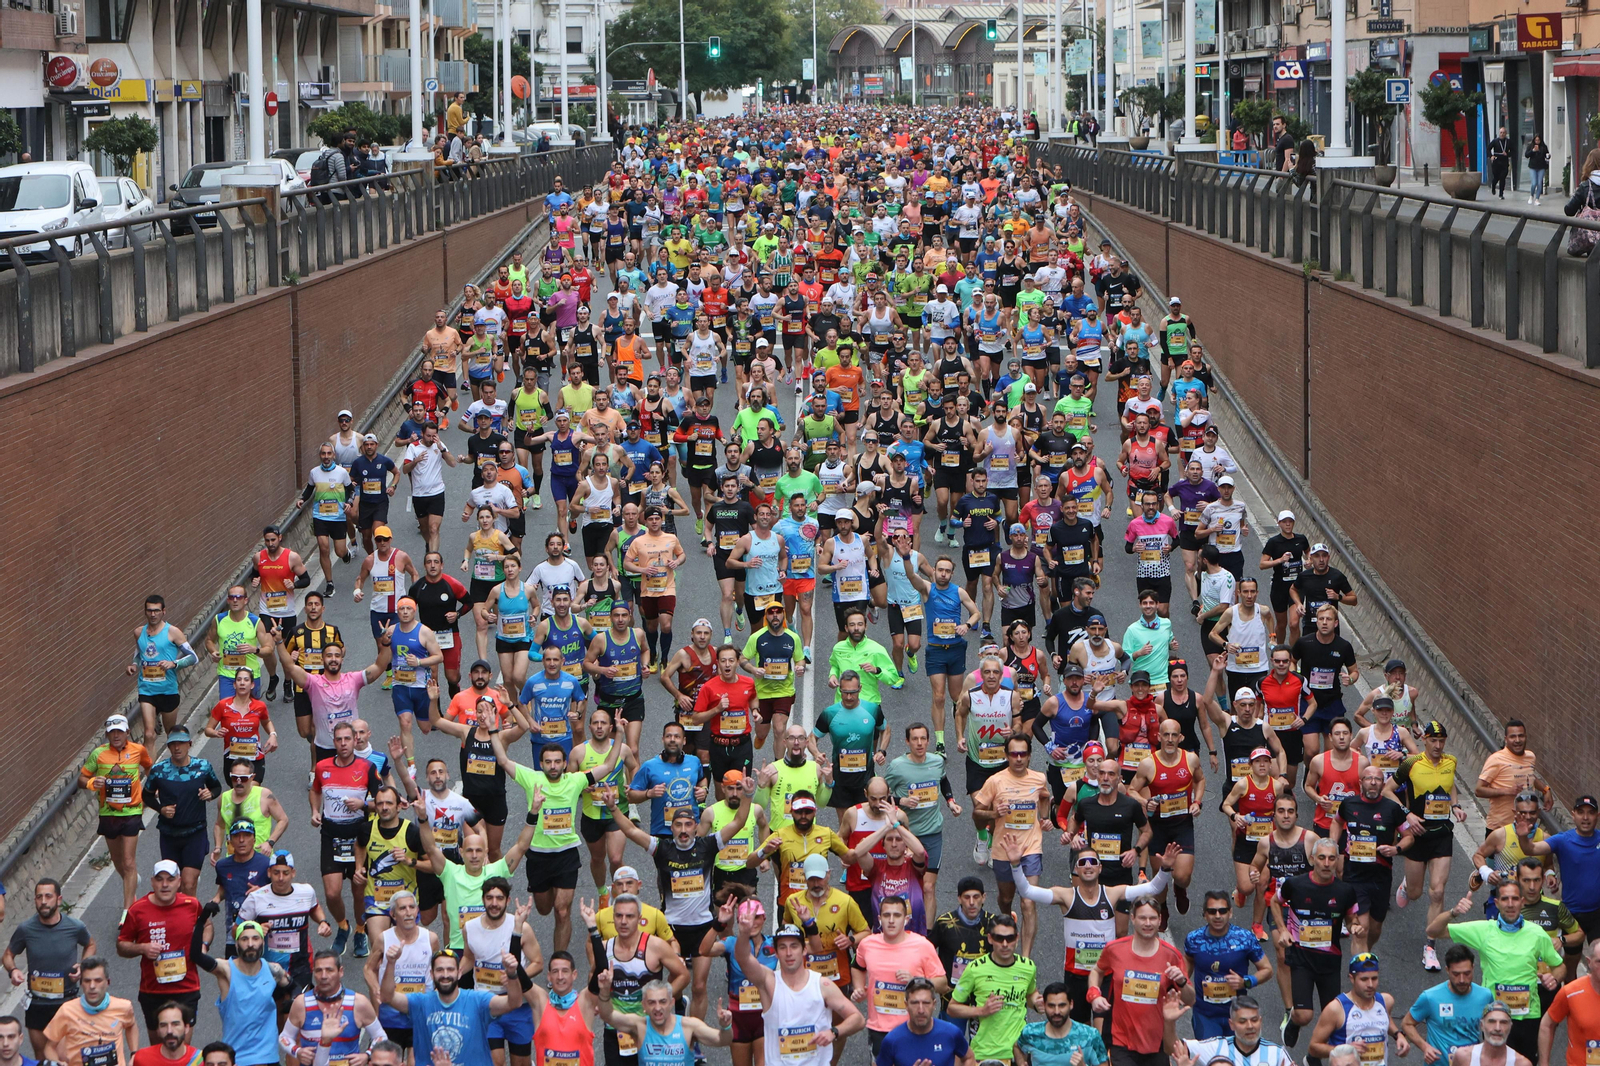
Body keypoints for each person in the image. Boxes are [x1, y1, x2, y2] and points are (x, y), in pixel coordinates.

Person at [1427, 880, 1564, 1064]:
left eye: (1515, 899)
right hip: (1494, 1017)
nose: (1510, 904)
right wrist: (1454, 912)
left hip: (1527, 1017)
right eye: (1505, 899)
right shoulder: (1484, 930)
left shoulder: (1537, 933)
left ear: (1522, 902)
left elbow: (1560, 966)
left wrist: (1553, 977)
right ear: (1497, 903)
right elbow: (1433, 930)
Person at [733, 909, 865, 1066]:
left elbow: (858, 1019)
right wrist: (743, 934)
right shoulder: (768, 982)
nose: (789, 953)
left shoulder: (822, 985)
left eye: (794, 946)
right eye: (782, 947)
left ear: (804, 950)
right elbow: (743, 958)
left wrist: (834, 1032)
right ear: (776, 953)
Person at [379, 940, 527, 1066]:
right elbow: (387, 996)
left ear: (459, 973)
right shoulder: (420, 1003)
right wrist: (391, 962)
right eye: (439, 970)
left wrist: (512, 973)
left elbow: (514, 1002)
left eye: (450, 969)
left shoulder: (477, 1001)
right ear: (431, 974)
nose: (445, 975)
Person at [188, 904, 290, 1066]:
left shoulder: (273, 970)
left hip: (268, 1059)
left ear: (262, 944)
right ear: (236, 945)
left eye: (255, 938)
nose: (250, 944)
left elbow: (295, 989)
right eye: (244, 939)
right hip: (236, 1059)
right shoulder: (225, 970)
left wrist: (290, 1002)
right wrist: (202, 920)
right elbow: (196, 956)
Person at [4, 878, 95, 1057]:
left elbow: (90, 944)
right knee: (42, 1057)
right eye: (39, 897)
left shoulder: (74, 927)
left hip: (65, 1002)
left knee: (63, 1056)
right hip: (37, 1003)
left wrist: (84, 964)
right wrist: (13, 970)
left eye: (48, 896)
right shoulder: (26, 929)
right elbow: (8, 955)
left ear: (59, 899)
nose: (43, 901)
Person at [115, 860, 203, 1039]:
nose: (165, 885)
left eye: (170, 879)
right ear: (152, 882)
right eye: (160, 879)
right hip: (153, 991)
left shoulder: (191, 904)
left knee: (182, 1050)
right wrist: (142, 948)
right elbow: (121, 945)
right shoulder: (137, 910)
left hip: (186, 988)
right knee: (158, 1051)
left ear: (179, 882)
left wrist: (204, 945)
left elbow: (206, 925)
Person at [81, 713, 155, 912]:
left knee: (129, 861)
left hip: (132, 812)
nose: (116, 735)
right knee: (117, 860)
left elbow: (149, 767)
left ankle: (127, 910)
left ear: (128, 733)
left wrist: (152, 788)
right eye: (112, 732)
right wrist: (91, 783)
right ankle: (131, 884)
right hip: (108, 813)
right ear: (107, 734)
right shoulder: (98, 754)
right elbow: (82, 777)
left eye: (119, 732)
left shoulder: (138, 750)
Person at [947, 912, 1038, 1066]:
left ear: (1017, 938)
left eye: (1009, 938)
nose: (1004, 944)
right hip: (984, 1053)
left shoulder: (1028, 967)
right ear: (990, 939)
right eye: (998, 938)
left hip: (1018, 1052)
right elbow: (952, 1008)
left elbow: (1031, 995)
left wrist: (1037, 1002)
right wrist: (981, 1011)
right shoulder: (974, 969)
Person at [1181, 891, 1273, 1040]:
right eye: (1212, 911)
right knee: (1213, 1061)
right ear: (1204, 914)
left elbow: (1267, 969)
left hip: (1238, 1015)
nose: (1218, 916)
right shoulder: (1194, 939)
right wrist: (1182, 985)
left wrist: (1246, 982)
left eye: (1222, 911)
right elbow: (1189, 960)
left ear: (1230, 913)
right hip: (1205, 1014)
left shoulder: (1244, 938)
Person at [1307, 952, 1410, 1065]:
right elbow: (1313, 1047)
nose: (1370, 984)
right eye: (1364, 979)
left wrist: (1398, 1035)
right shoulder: (1336, 1009)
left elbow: (1386, 1020)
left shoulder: (1385, 1001)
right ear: (1352, 978)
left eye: (1374, 978)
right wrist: (1345, 1050)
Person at [1402, 945, 1497, 1063]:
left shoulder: (1485, 996)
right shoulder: (1430, 997)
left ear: (1473, 968)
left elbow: (1492, 1027)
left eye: (1467, 973)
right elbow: (1407, 1023)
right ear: (1447, 970)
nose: (1462, 980)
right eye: (1456, 974)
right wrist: (1425, 1047)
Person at [41, 956, 138, 1066]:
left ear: (108, 982)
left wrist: (134, 1053)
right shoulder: (67, 1010)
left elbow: (131, 1025)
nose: (92, 986)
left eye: (98, 980)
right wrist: (58, 1063)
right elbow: (49, 1048)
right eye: (87, 981)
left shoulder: (123, 1007)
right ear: (81, 983)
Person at [1163, 992, 1295, 1066]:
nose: (1250, 1026)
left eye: (1254, 1020)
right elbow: (1172, 1048)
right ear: (1231, 1024)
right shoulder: (1216, 1047)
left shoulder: (1277, 1054)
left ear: (1260, 1021)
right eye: (1243, 1021)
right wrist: (1169, 1022)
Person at [1539, 939, 1600, 1066]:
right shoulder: (1571, 992)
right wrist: (1544, 1063)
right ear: (1589, 963)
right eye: (1599, 962)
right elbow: (1547, 1025)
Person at [1489, 128, 1512, 198]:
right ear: (1499, 133)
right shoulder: (1495, 141)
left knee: (1502, 178)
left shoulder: (1508, 141)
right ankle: (1493, 186)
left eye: (1503, 133)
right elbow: (1488, 148)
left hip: (1504, 163)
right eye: (1501, 132)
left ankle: (1501, 193)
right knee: (1496, 177)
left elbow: (1513, 151)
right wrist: (1491, 156)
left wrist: (1507, 154)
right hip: (1496, 162)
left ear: (1506, 133)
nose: (1502, 134)